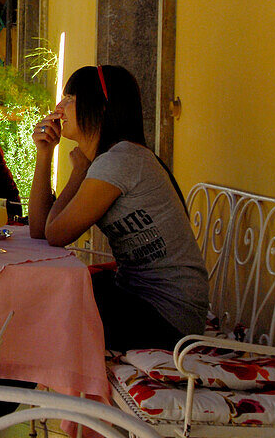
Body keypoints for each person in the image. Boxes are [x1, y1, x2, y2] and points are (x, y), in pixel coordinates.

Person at [28, 64, 208, 352]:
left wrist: (79, 172)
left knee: (52, 301)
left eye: (71, 99)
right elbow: (39, 229)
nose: (60, 107)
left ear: (100, 108)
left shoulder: (121, 160)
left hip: (170, 321)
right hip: (136, 300)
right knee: (55, 294)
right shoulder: (108, 161)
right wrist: (45, 153)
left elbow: (55, 233)